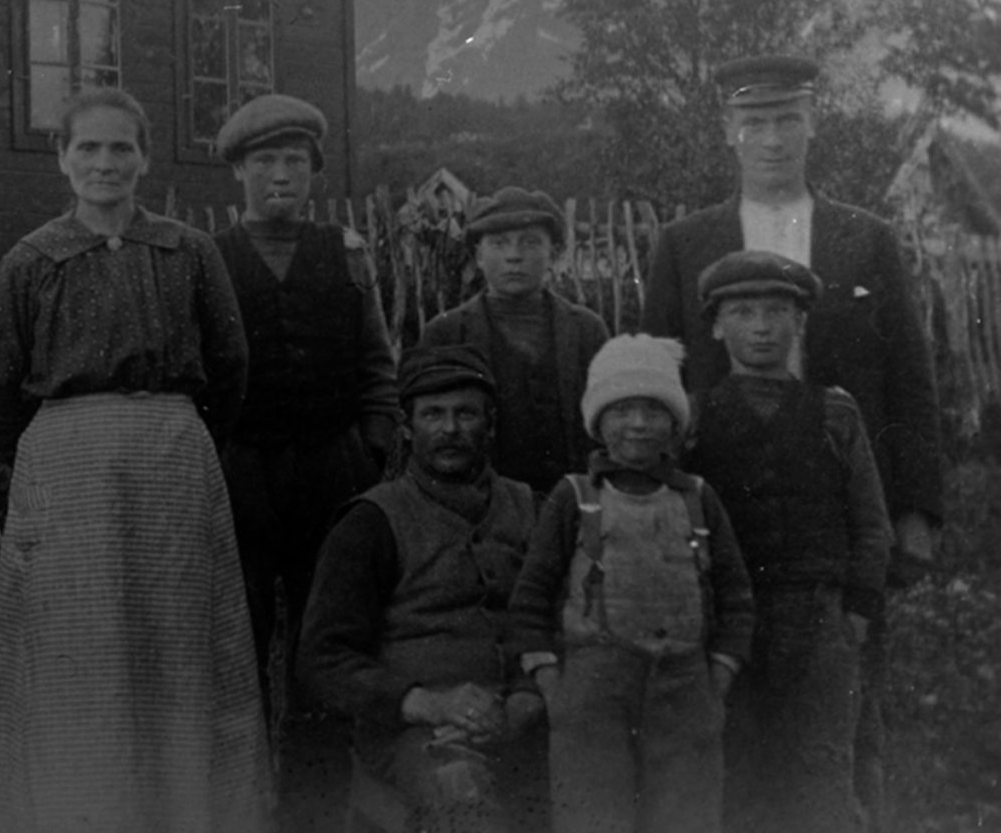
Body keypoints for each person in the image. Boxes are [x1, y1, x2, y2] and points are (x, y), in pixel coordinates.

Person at [641, 52, 943, 818]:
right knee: (728, 719)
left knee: (843, 718)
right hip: (725, 514)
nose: (772, 138)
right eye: (754, 122)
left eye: (787, 119)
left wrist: (915, 512)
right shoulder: (683, 244)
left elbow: (910, 378)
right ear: (728, 132)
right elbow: (655, 387)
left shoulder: (864, 239)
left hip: (838, 517)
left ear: (813, 123)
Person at [0, 86, 271, 833]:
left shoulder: (188, 251)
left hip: (171, 462)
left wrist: (168, 432)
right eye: (88, 148)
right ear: (62, 158)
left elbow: (230, 368)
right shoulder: (32, 259)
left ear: (144, 157)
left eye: (120, 148)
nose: (104, 164)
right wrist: (63, 450)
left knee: (177, 645)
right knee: (74, 650)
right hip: (65, 467)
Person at [209, 93, 396, 826]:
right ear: (238, 174)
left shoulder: (347, 255)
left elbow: (378, 362)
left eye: (294, 161)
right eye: (264, 161)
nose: (280, 174)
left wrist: (372, 445)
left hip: (331, 470)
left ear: (315, 172)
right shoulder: (210, 259)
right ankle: (239, 800)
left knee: (323, 637)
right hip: (241, 472)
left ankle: (312, 804)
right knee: (240, 635)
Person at [510, 334, 756, 833]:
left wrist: (718, 679)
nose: (639, 425)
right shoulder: (574, 497)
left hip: (686, 687)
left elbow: (737, 597)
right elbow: (531, 599)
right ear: (599, 422)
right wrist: (554, 686)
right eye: (622, 411)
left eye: (653, 410)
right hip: (593, 691)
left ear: (675, 423)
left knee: (686, 816)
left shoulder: (699, 499)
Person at [681, 250, 890, 833]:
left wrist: (856, 612)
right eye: (743, 311)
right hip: (729, 621)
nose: (762, 326)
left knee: (821, 767)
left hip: (819, 615)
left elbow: (871, 523)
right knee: (737, 766)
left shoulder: (835, 413)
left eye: (777, 311)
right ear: (719, 326)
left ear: (800, 323)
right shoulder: (694, 418)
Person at [300, 343, 545, 833]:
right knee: (460, 792)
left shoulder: (534, 509)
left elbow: (560, 619)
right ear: (407, 429)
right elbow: (323, 657)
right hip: (417, 731)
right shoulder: (371, 522)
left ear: (490, 426)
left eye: (466, 414)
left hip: (526, 715)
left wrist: (525, 702)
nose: (450, 429)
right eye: (433, 415)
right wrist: (426, 703)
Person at [422, 187, 609, 496]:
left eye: (530, 242)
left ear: (555, 253)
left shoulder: (587, 330)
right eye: (498, 244)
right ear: (478, 256)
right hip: (481, 505)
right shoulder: (445, 334)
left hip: (572, 500)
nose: (514, 256)